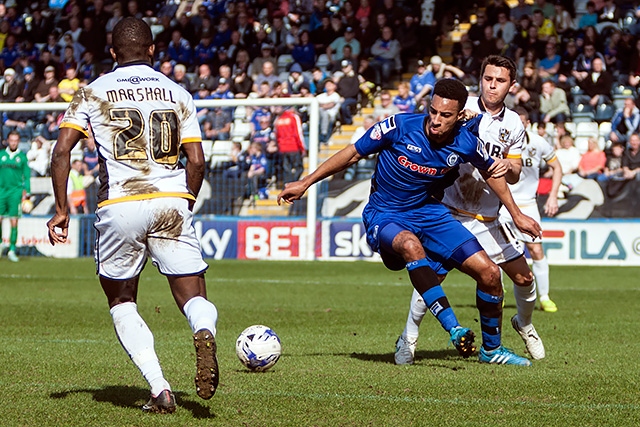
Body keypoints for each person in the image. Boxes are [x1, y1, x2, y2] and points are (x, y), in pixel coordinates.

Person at [278, 78, 540, 367]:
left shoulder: (466, 142)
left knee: (490, 274)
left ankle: (491, 350)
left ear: (458, 116)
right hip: (385, 214)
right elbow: (352, 153)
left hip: (431, 215)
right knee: (410, 246)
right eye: (433, 112)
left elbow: (492, 173)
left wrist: (516, 214)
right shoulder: (399, 127)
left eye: (446, 116)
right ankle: (453, 328)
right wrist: (306, 182)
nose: (436, 121)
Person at [46, 17, 219, 414]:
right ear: (153, 50)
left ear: (112, 53)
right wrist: (184, 202)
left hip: (120, 202)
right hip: (170, 197)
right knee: (191, 292)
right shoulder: (177, 92)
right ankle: (203, 328)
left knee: (122, 300)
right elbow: (196, 160)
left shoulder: (91, 92)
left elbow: (61, 152)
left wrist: (61, 209)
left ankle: (160, 389)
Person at [396, 56, 546, 366]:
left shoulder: (514, 123)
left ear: (511, 86)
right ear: (480, 79)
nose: (492, 85)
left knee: (524, 278)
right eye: (488, 78)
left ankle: (525, 324)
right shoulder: (462, 109)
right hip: (452, 212)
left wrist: (510, 165)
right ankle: (408, 339)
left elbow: (515, 171)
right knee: (430, 279)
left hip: (490, 217)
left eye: (500, 80)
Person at [500, 107, 562, 312]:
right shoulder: (500, 140)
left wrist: (553, 196)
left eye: (523, 121)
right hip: (502, 204)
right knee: (496, 250)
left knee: (536, 249)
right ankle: (496, 293)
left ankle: (544, 297)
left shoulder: (538, 142)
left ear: (527, 123)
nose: (520, 124)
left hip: (527, 204)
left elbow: (557, 167)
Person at [0, 131, 31, 263]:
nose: (13, 142)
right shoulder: (1, 155)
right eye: (11, 140)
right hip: (1, 191)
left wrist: (27, 192)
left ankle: (12, 250)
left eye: (16, 140)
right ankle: (1, 244)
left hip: (15, 192)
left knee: (14, 221)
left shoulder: (22, 157)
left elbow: (27, 176)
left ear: (18, 141)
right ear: (8, 141)